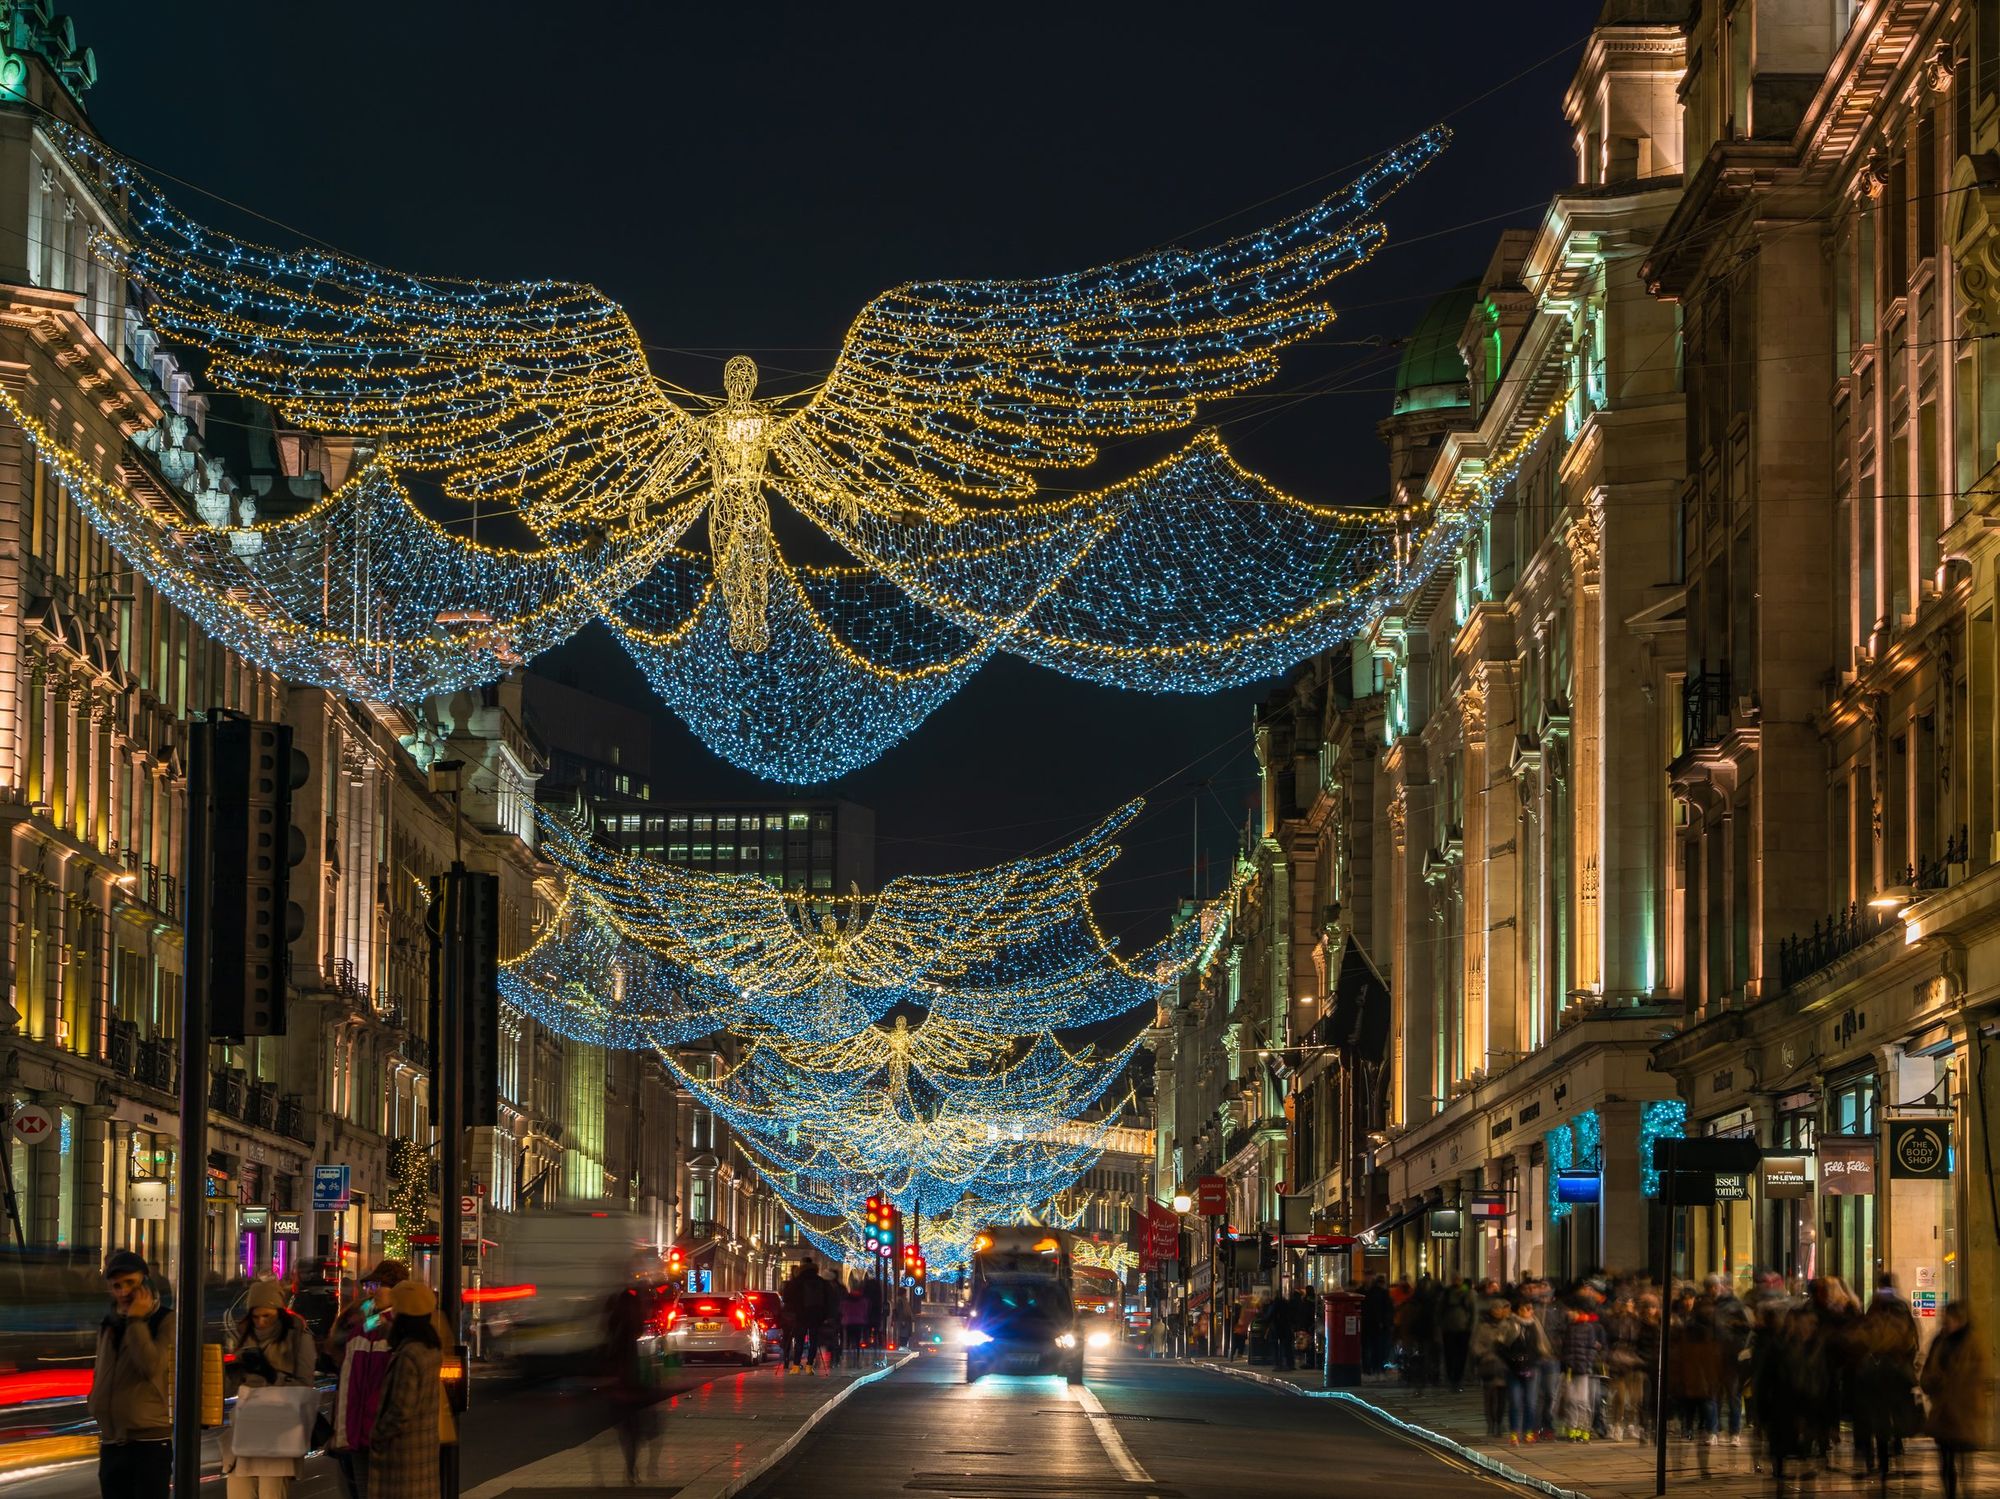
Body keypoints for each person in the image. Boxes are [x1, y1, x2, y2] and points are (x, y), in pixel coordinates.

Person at [90, 1248, 175, 1499]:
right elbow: (101, 1370)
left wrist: (136, 1322)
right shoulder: (110, 1323)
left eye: (130, 1283)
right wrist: (94, 1402)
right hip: (112, 1441)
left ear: (146, 1283)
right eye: (117, 1286)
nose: (123, 1292)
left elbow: (151, 1365)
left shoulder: (165, 1321)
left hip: (148, 1442)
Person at [223, 1280, 319, 1499]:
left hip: (278, 1433)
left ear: (279, 1312)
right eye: (256, 1316)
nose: (261, 1322)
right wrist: (233, 1370)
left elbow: (304, 1388)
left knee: (272, 1492)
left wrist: (272, 1375)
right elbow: (231, 1387)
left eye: (267, 1316)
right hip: (245, 1432)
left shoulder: (298, 1338)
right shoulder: (243, 1337)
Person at [329, 1261, 408, 1499]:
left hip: (383, 1434)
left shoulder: (401, 1327)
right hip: (358, 1431)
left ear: (396, 1289)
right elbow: (338, 1353)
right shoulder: (364, 1324)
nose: (370, 1291)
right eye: (369, 1285)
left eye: (377, 1285)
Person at [367, 1281, 443, 1499]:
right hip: (422, 1447)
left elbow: (401, 1409)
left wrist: (378, 1434)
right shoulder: (430, 1347)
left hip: (401, 1453)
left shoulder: (408, 1353)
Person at [1921, 1301, 1989, 1499]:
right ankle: (1949, 1493)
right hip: (1943, 1411)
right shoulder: (1939, 1341)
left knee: (1964, 1461)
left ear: (1960, 1319)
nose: (1945, 1322)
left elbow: (1977, 1376)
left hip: (1964, 1410)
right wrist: (1932, 1382)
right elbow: (1928, 1371)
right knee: (1945, 1459)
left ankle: (1967, 1493)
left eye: (1949, 1318)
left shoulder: (1973, 1343)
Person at [1500, 1298, 1551, 1445]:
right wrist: (1512, 1360)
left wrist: (1533, 1359)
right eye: (1526, 1309)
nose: (1529, 1311)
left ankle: (1528, 1431)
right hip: (1513, 1369)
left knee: (1530, 1402)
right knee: (1515, 1402)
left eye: (1530, 1309)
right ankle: (1514, 1433)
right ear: (1519, 1311)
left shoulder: (1535, 1325)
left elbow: (1541, 1346)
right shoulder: (1510, 1324)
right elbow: (1501, 1345)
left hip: (1532, 1368)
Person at [1470, 1296, 1513, 1437]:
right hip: (1488, 1366)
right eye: (1495, 1308)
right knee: (1489, 1397)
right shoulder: (1483, 1326)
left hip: (1504, 1366)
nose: (1497, 1311)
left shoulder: (1508, 1326)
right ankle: (1490, 1423)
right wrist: (1484, 1354)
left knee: (1502, 1398)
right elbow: (1475, 1344)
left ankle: (1499, 1423)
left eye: (1500, 1308)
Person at [779, 1259, 830, 1373]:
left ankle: (796, 1366)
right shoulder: (821, 1281)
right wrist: (824, 1315)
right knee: (813, 1341)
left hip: (800, 1315)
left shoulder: (797, 1281)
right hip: (816, 1315)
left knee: (799, 1341)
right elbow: (828, 1300)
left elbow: (786, 1298)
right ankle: (809, 1366)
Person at [1440, 1278, 1477, 1393]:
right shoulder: (1447, 1294)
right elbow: (1439, 1311)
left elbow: (1473, 1312)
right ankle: (1453, 1378)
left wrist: (1471, 1327)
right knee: (1451, 1355)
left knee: (1459, 1356)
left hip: (1462, 1329)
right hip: (1450, 1329)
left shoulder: (1466, 1293)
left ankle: (1456, 1378)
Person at [839, 1279, 870, 1368]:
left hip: (848, 1322)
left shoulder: (846, 1300)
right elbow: (865, 1311)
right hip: (859, 1322)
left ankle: (848, 1360)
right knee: (857, 1341)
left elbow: (841, 1310)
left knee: (848, 1341)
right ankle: (857, 1360)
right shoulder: (863, 1300)